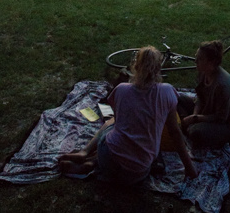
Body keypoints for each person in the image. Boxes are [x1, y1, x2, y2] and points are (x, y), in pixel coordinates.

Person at [58, 46, 198, 184]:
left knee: (112, 124)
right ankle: (91, 163)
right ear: (158, 69)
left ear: (135, 67)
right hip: (137, 173)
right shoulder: (167, 92)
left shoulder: (121, 90)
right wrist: (189, 167)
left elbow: (118, 122)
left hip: (108, 159)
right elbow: (175, 132)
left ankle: (86, 153)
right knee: (129, 146)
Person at [177, 40, 230, 149]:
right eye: (196, 57)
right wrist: (194, 116)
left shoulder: (222, 86)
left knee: (196, 132)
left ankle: (189, 128)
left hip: (226, 123)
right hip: (206, 111)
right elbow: (200, 97)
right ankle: (186, 126)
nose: (195, 61)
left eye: (200, 59)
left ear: (211, 62)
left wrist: (195, 119)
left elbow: (220, 118)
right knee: (176, 97)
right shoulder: (203, 72)